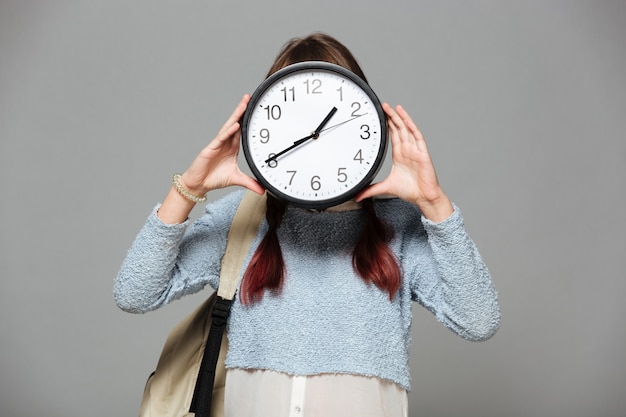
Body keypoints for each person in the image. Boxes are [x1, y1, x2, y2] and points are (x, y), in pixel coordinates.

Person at [114, 33, 500, 417]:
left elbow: (478, 319)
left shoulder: (397, 223)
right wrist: (189, 188)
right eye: (296, 123)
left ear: (366, 124)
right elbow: (135, 292)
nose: (314, 136)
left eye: (328, 122)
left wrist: (434, 203)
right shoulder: (245, 217)